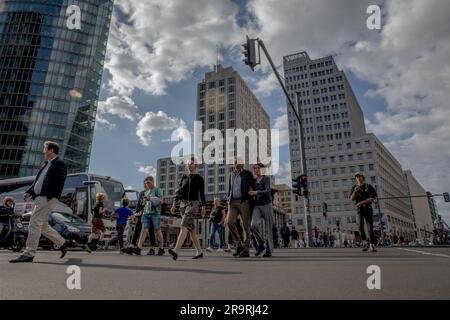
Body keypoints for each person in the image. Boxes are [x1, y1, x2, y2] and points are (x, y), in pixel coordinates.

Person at [10, 141, 69, 263]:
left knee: (34, 223)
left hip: (47, 198)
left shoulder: (59, 163)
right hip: (40, 197)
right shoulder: (46, 164)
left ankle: (29, 253)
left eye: (45, 149)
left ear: (51, 150)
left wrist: (50, 195)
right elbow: (38, 182)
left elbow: (60, 181)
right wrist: (29, 192)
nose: (43, 151)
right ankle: (62, 243)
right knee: (42, 225)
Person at [169, 158, 206, 260]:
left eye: (192, 164)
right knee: (191, 230)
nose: (190, 165)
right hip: (182, 205)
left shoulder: (199, 179)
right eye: (189, 164)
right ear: (187, 166)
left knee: (183, 225)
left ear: (196, 166)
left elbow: (202, 194)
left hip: (193, 204)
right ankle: (199, 251)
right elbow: (178, 192)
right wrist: (174, 204)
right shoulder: (183, 177)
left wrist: (203, 207)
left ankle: (176, 250)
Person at [226, 158, 255, 258]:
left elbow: (252, 185)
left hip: (244, 201)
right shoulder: (231, 174)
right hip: (232, 201)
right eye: (236, 163)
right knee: (229, 222)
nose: (238, 165)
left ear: (242, 164)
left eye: (240, 163)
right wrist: (228, 198)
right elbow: (230, 188)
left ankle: (246, 250)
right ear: (234, 164)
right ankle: (239, 245)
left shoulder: (248, 174)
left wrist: (250, 194)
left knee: (245, 226)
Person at [130, 176, 164, 256]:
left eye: (148, 182)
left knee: (158, 231)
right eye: (145, 183)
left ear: (152, 182)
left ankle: (161, 248)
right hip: (146, 213)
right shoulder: (146, 192)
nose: (147, 184)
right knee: (144, 230)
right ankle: (139, 248)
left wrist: (150, 199)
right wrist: (136, 214)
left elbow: (161, 201)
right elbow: (143, 204)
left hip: (155, 213)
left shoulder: (157, 190)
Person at [249, 163, 274, 257]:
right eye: (255, 168)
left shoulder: (266, 178)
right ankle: (261, 245)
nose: (256, 170)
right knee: (253, 225)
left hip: (267, 205)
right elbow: (250, 189)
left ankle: (269, 250)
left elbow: (268, 192)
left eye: (258, 168)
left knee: (268, 229)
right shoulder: (254, 180)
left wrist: (256, 192)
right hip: (257, 206)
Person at [350, 172, 378, 252]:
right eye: (357, 177)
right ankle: (365, 243)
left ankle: (372, 244)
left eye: (359, 176)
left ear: (363, 177)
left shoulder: (368, 186)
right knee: (360, 225)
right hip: (359, 209)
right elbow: (351, 198)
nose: (358, 178)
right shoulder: (354, 187)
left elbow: (372, 198)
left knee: (370, 226)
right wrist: (355, 191)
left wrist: (362, 202)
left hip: (368, 208)